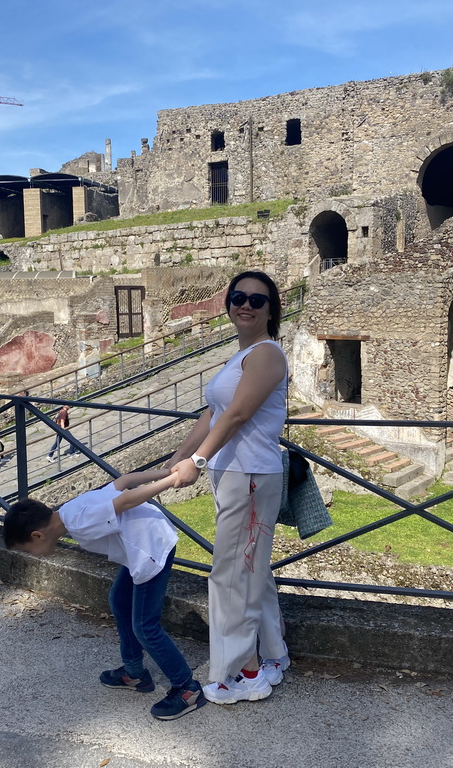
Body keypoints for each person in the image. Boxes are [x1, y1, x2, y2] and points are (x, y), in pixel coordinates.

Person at [167, 270, 290, 705]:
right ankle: (272, 656)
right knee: (251, 571)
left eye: (257, 300)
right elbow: (213, 414)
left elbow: (237, 416)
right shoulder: (239, 354)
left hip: (251, 476)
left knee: (230, 575)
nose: (245, 304)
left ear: (271, 309)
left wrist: (198, 461)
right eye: (238, 296)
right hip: (238, 476)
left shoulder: (267, 354)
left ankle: (242, 671)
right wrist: (183, 452)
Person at [3, 468, 205, 721]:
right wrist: (168, 469)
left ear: (37, 535)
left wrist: (171, 479)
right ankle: (134, 673)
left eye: (28, 550)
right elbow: (124, 481)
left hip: (150, 549)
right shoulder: (68, 511)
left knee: (145, 626)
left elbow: (126, 499)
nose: (33, 555)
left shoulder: (77, 520)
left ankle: (187, 689)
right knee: (119, 601)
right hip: (143, 545)